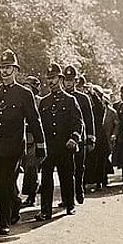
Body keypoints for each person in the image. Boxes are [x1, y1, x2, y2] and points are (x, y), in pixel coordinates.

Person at [0, 50, 45, 235]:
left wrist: (41, 145)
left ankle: (4, 221)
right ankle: (15, 203)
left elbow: (34, 120)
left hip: (14, 147)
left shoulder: (24, 93)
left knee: (7, 180)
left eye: (8, 67)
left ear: (15, 70)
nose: (4, 71)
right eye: (2, 68)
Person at [35, 64, 83, 220]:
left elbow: (78, 122)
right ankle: (45, 211)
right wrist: (39, 145)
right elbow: (39, 125)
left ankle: (70, 205)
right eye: (49, 78)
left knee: (67, 177)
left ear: (61, 79)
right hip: (49, 147)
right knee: (46, 179)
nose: (51, 81)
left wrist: (74, 138)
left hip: (65, 146)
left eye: (54, 78)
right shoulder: (44, 102)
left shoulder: (70, 100)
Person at [62, 65, 94, 205]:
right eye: (66, 80)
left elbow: (89, 119)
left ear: (76, 81)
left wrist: (91, 138)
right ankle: (67, 198)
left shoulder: (83, 98)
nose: (68, 83)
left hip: (79, 138)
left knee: (79, 167)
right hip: (65, 139)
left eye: (71, 80)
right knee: (66, 169)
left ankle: (79, 191)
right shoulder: (61, 98)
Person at [19, 75, 42, 207]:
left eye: (29, 87)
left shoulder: (40, 102)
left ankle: (31, 197)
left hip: (33, 140)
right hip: (21, 140)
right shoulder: (20, 101)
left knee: (31, 169)